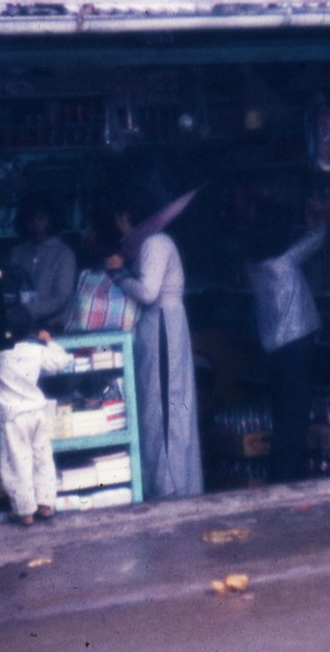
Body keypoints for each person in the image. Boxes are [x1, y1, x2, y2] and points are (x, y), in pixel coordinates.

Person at [101, 197, 203, 499]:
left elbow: (147, 292)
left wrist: (119, 275)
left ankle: (170, 486)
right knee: (162, 406)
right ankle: (172, 484)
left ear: (125, 215)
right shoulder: (151, 243)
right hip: (161, 326)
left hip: (162, 326)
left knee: (166, 408)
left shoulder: (154, 242)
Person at [245, 197, 330, 482]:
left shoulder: (254, 267)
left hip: (273, 347)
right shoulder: (285, 261)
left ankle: (285, 474)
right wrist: (315, 217)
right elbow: (319, 237)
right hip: (296, 343)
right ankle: (285, 479)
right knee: (295, 416)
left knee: (283, 415)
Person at [0, 304, 72, 525]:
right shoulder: (35, 350)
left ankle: (25, 511)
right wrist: (48, 340)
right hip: (37, 413)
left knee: (17, 464)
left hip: (14, 418)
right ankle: (46, 503)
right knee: (42, 459)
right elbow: (60, 361)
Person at [6, 195, 78, 332]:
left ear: (51, 220)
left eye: (40, 219)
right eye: (30, 219)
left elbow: (61, 298)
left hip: (52, 328)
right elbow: (9, 289)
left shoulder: (64, 254)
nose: (35, 224)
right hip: (18, 328)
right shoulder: (18, 252)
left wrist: (26, 311)